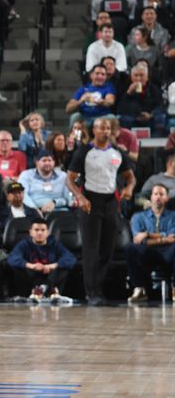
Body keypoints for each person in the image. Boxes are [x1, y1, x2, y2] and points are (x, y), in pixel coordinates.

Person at [66, 117, 135, 305]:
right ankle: (91, 292)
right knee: (91, 248)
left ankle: (99, 287)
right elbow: (69, 178)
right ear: (94, 130)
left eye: (107, 128)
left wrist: (128, 188)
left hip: (111, 200)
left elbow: (130, 177)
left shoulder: (117, 152)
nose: (105, 131)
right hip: (90, 199)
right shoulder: (84, 152)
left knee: (107, 247)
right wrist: (80, 197)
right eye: (101, 128)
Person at [126, 184, 175, 303]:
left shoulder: (173, 216)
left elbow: (173, 238)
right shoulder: (138, 217)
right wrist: (163, 237)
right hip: (147, 253)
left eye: (161, 194)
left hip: (169, 252)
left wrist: (147, 235)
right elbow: (138, 239)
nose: (158, 197)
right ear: (151, 197)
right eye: (156, 194)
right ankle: (139, 290)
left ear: (167, 198)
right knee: (131, 248)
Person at [7, 218, 75, 301]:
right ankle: (43, 291)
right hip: (32, 277)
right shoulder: (24, 244)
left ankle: (43, 291)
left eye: (43, 230)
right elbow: (12, 258)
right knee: (19, 267)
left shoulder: (55, 244)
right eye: (36, 230)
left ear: (48, 233)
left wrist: (52, 266)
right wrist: (32, 266)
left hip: (50, 276)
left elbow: (70, 258)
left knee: (63, 267)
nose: (39, 233)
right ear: (30, 232)